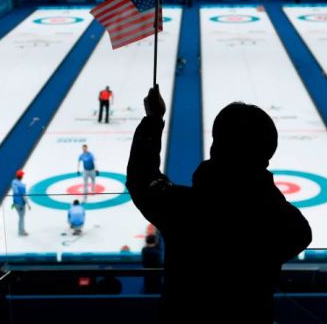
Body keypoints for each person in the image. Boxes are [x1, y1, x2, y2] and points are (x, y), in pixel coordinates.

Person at [127, 85, 312, 323]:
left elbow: (142, 179)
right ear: (266, 156)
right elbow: (297, 232)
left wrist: (153, 119)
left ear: (215, 148)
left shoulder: (184, 208)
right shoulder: (285, 222)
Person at [11, 169, 31, 236]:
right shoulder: (22, 186)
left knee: (20, 217)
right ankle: (21, 231)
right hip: (21, 204)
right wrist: (28, 204)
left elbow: (15, 190)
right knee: (21, 217)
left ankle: (21, 230)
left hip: (15, 202)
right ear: (22, 177)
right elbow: (24, 196)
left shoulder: (13, 182)